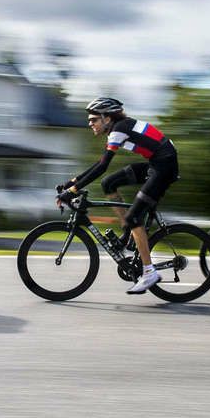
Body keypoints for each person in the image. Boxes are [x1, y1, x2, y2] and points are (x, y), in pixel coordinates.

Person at [56, 97, 179, 294]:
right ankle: (126, 233)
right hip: (157, 164)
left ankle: (149, 273)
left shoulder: (119, 129)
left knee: (134, 216)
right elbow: (100, 164)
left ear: (106, 118)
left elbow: (103, 166)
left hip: (164, 167)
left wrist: (72, 191)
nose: (90, 123)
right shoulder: (119, 127)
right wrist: (72, 183)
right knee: (109, 183)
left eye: (94, 119)